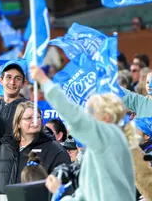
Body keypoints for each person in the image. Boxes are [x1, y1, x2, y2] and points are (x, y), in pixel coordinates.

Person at [30, 64, 135, 201]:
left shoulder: (109, 136)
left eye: (90, 111)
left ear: (107, 117)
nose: (86, 115)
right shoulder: (101, 146)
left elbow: (75, 117)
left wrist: (44, 81)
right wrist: (60, 193)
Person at [0, 101, 70, 190]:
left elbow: (64, 187)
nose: (35, 121)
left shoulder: (56, 150)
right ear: (18, 123)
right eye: (29, 118)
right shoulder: (3, 148)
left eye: (38, 117)